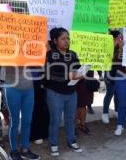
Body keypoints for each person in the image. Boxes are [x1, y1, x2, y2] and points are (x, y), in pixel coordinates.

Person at [45, 27, 83, 156]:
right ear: (55, 41)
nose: (66, 41)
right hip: (55, 93)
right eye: (63, 38)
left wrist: (82, 73)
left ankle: (71, 141)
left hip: (72, 93)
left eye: (68, 38)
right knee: (55, 120)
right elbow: (50, 74)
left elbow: (77, 68)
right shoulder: (49, 55)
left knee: (71, 118)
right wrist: (68, 75)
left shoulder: (73, 54)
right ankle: (54, 144)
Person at [4, 66, 40, 160]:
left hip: (28, 88)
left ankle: (25, 149)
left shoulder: (28, 50)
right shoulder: (7, 51)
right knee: (14, 121)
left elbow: (38, 64)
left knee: (27, 121)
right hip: (12, 87)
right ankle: (14, 151)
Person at [101, 30, 121, 124]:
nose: (119, 39)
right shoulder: (107, 45)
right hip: (109, 72)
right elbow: (106, 58)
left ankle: (117, 111)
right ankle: (105, 113)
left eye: (120, 37)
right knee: (110, 92)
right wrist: (113, 45)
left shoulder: (121, 46)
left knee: (117, 93)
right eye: (118, 37)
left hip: (119, 72)